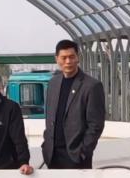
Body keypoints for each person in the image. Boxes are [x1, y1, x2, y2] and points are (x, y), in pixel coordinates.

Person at [42, 39, 106, 169]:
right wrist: (46, 145)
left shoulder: (91, 86)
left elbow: (96, 125)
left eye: (72, 57)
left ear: (78, 57)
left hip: (76, 157)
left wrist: (83, 152)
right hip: (52, 155)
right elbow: (49, 117)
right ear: (57, 59)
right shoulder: (53, 83)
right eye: (64, 57)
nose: (68, 61)